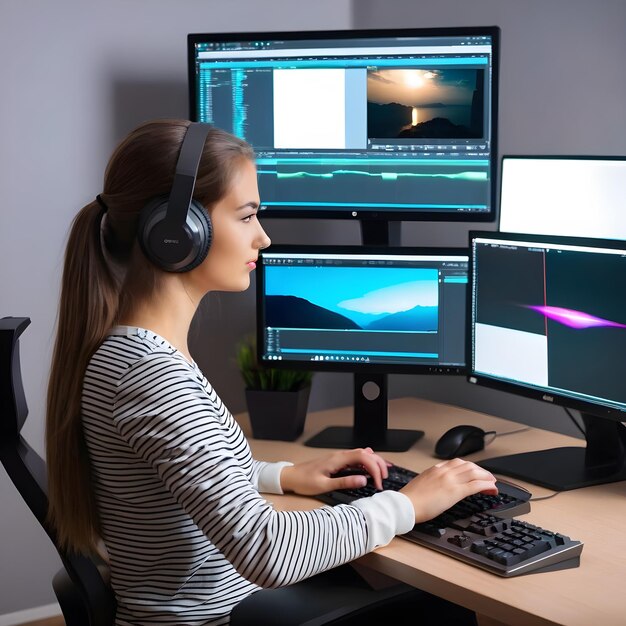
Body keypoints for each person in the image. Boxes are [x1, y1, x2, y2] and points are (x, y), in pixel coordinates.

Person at [45, 118, 498, 625]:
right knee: (446, 608)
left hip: (216, 608)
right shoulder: (150, 374)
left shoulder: (130, 351)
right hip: (211, 618)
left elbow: (177, 474)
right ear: (177, 231)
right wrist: (408, 504)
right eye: (246, 216)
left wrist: (284, 475)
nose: (264, 237)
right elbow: (267, 550)